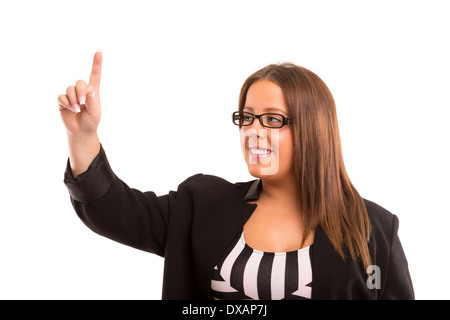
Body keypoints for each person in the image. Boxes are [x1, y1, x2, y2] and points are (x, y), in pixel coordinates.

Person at [58, 51, 414, 300]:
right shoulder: (201, 204)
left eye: (273, 119)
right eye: (246, 117)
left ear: (313, 130)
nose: (252, 131)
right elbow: (112, 210)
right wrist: (82, 136)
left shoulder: (374, 230)